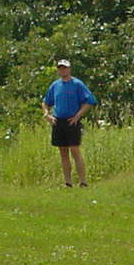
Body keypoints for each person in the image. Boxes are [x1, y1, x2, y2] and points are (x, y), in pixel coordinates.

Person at [42, 59, 98, 188]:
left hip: (72, 121)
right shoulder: (55, 85)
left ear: (69, 69)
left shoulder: (77, 84)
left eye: (65, 68)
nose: (63, 70)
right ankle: (68, 182)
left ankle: (83, 181)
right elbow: (46, 102)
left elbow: (89, 100)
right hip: (58, 121)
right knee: (63, 151)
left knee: (75, 150)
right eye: (60, 68)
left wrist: (78, 116)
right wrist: (47, 114)